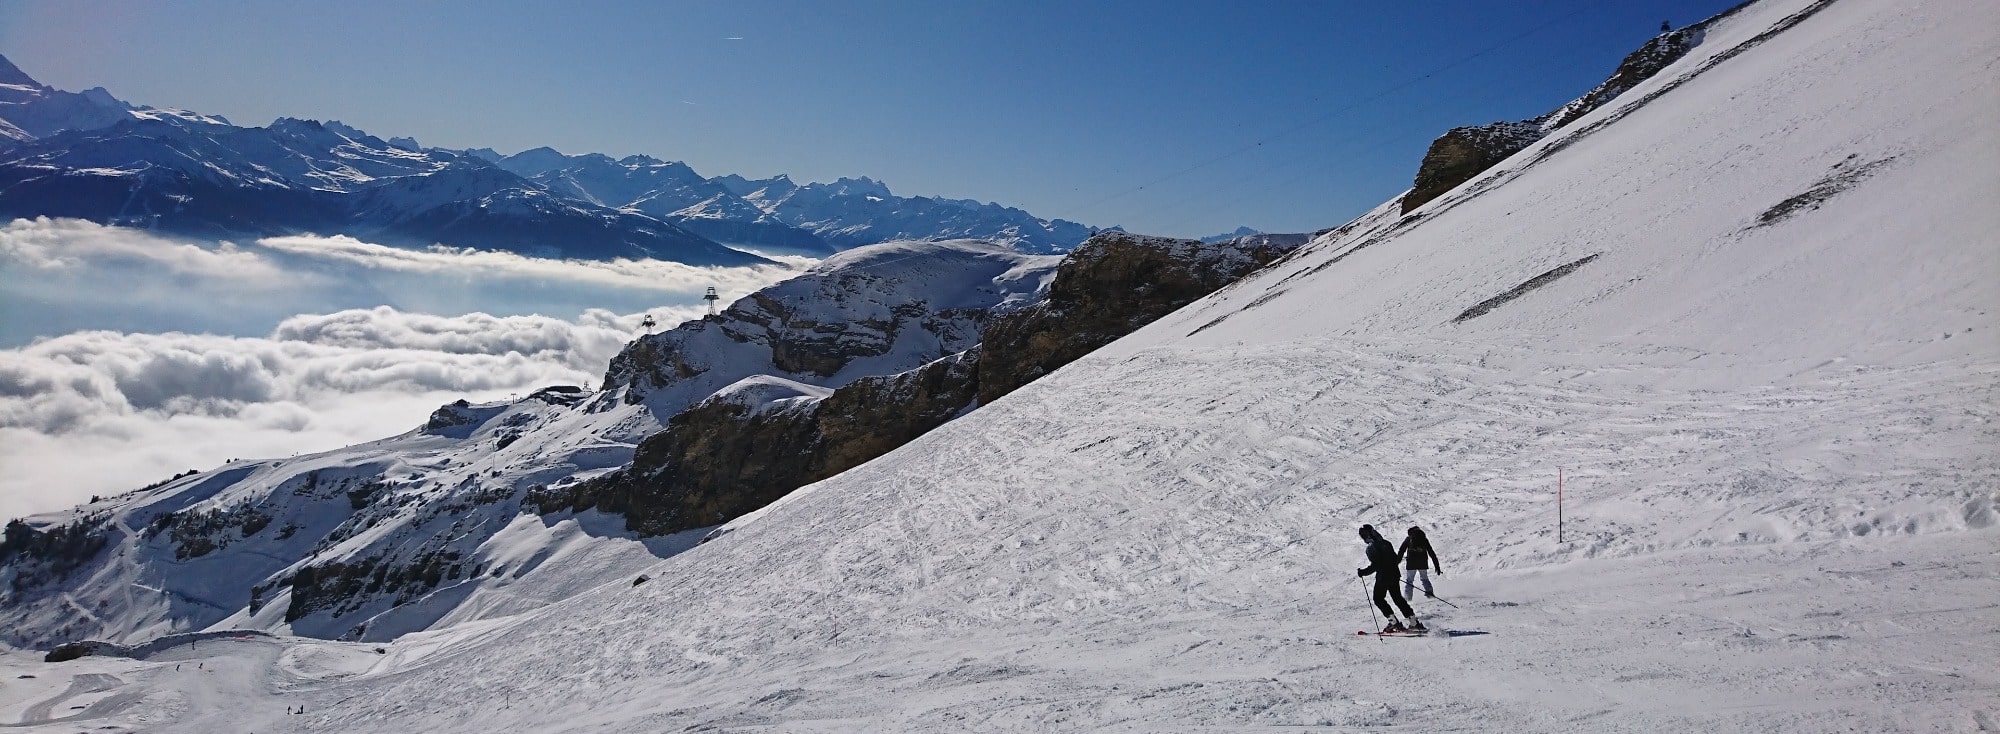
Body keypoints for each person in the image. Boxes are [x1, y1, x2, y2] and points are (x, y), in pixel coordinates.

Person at [1356, 524, 1422, 632]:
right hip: (1394, 574)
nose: (1363, 538)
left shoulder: (1371, 548)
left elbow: (1376, 565)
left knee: (1378, 599)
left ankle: (1394, 623)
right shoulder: (1386, 543)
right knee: (1397, 598)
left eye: (1363, 536)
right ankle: (1414, 622)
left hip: (1383, 577)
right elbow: (1395, 559)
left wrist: (1363, 572)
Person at [1399, 526, 1443, 599]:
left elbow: (1401, 551)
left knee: (1409, 581)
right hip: (1422, 563)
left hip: (1411, 563)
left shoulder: (1409, 539)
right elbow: (1431, 553)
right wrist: (1437, 566)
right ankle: (1430, 594)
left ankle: (1408, 598)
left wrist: (1395, 564)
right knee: (1424, 578)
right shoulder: (1424, 539)